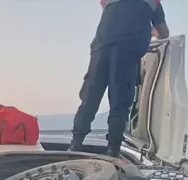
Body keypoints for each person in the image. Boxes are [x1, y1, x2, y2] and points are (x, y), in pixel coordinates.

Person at [69, 0, 170, 157]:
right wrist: (149, 30)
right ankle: (113, 151)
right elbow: (164, 32)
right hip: (126, 50)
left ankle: (75, 145)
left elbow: (104, 6)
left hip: (101, 48)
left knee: (89, 99)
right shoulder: (152, 2)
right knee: (120, 104)